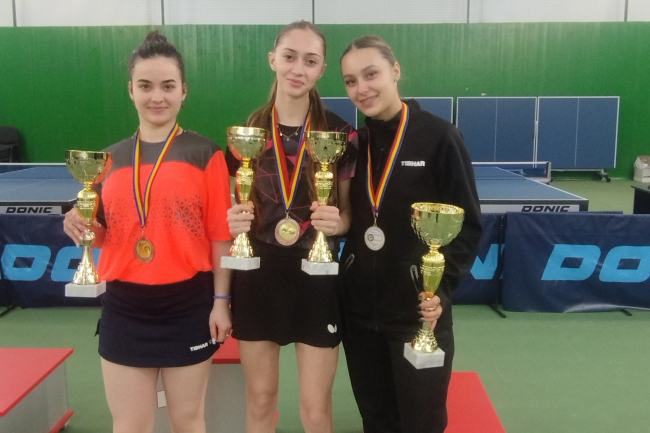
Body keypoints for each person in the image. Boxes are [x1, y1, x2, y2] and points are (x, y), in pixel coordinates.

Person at [62, 31, 233, 433]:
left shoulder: (206, 154)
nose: (157, 97)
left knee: (187, 420)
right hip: (125, 309)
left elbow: (220, 236)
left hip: (188, 306)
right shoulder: (108, 159)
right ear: (131, 90)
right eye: (146, 86)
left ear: (184, 91)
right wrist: (80, 226)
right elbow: (104, 235)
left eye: (168, 86)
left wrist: (221, 301)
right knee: (130, 425)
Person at [338, 35, 483, 433]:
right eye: (351, 81)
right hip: (360, 317)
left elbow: (469, 225)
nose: (362, 88)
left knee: (422, 423)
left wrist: (440, 290)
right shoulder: (354, 146)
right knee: (377, 421)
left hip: (419, 316)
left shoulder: (439, 137)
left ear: (395, 71)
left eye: (371, 74)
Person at [225, 20, 358, 433]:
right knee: (260, 401)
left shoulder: (341, 134)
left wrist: (337, 224)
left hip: (316, 276)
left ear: (321, 70)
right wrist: (233, 218)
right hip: (257, 276)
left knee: (315, 410)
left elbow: (348, 216)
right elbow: (235, 206)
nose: (298, 68)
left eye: (310, 61)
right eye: (289, 57)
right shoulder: (247, 131)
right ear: (273, 60)